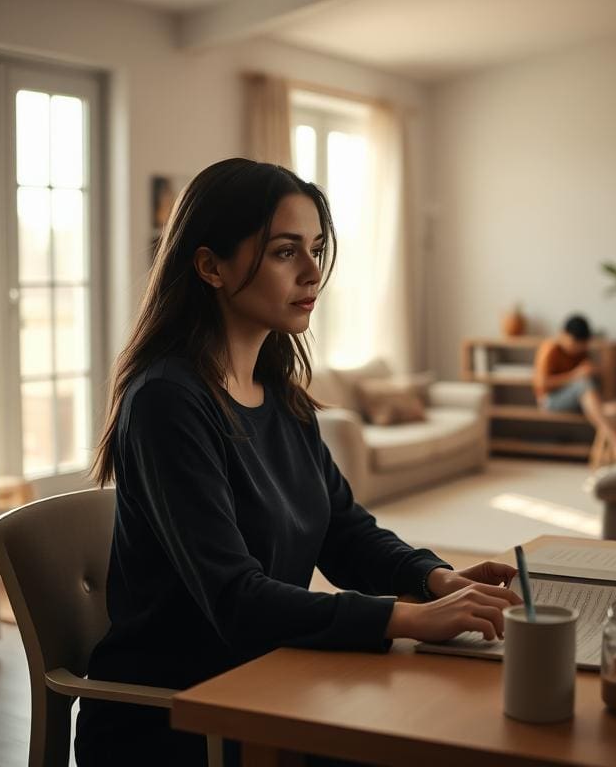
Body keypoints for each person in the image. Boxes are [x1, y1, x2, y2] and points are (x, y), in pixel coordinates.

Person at [74, 158, 522, 766]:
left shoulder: (280, 392)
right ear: (210, 265)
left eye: (315, 249)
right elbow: (236, 599)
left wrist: (435, 580)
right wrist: (410, 620)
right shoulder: (165, 402)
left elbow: (343, 530)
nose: (313, 272)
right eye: (286, 252)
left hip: (274, 677)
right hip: (181, 717)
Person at [533, 314, 616, 460]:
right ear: (563, 334)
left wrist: (595, 370)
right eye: (574, 343)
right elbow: (541, 383)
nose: (577, 348)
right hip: (549, 400)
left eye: (581, 345)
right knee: (584, 386)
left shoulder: (581, 351)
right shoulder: (550, 348)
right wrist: (575, 374)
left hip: (577, 399)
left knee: (612, 408)